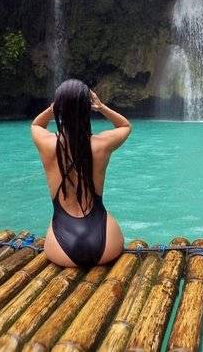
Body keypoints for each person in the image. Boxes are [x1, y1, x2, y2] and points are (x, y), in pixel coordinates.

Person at [30, 79, 130, 267]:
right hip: (105, 243)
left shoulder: (47, 144)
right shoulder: (101, 144)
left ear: (58, 108)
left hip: (61, 249)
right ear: (87, 109)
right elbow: (125, 126)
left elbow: (36, 125)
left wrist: (54, 108)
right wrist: (101, 107)